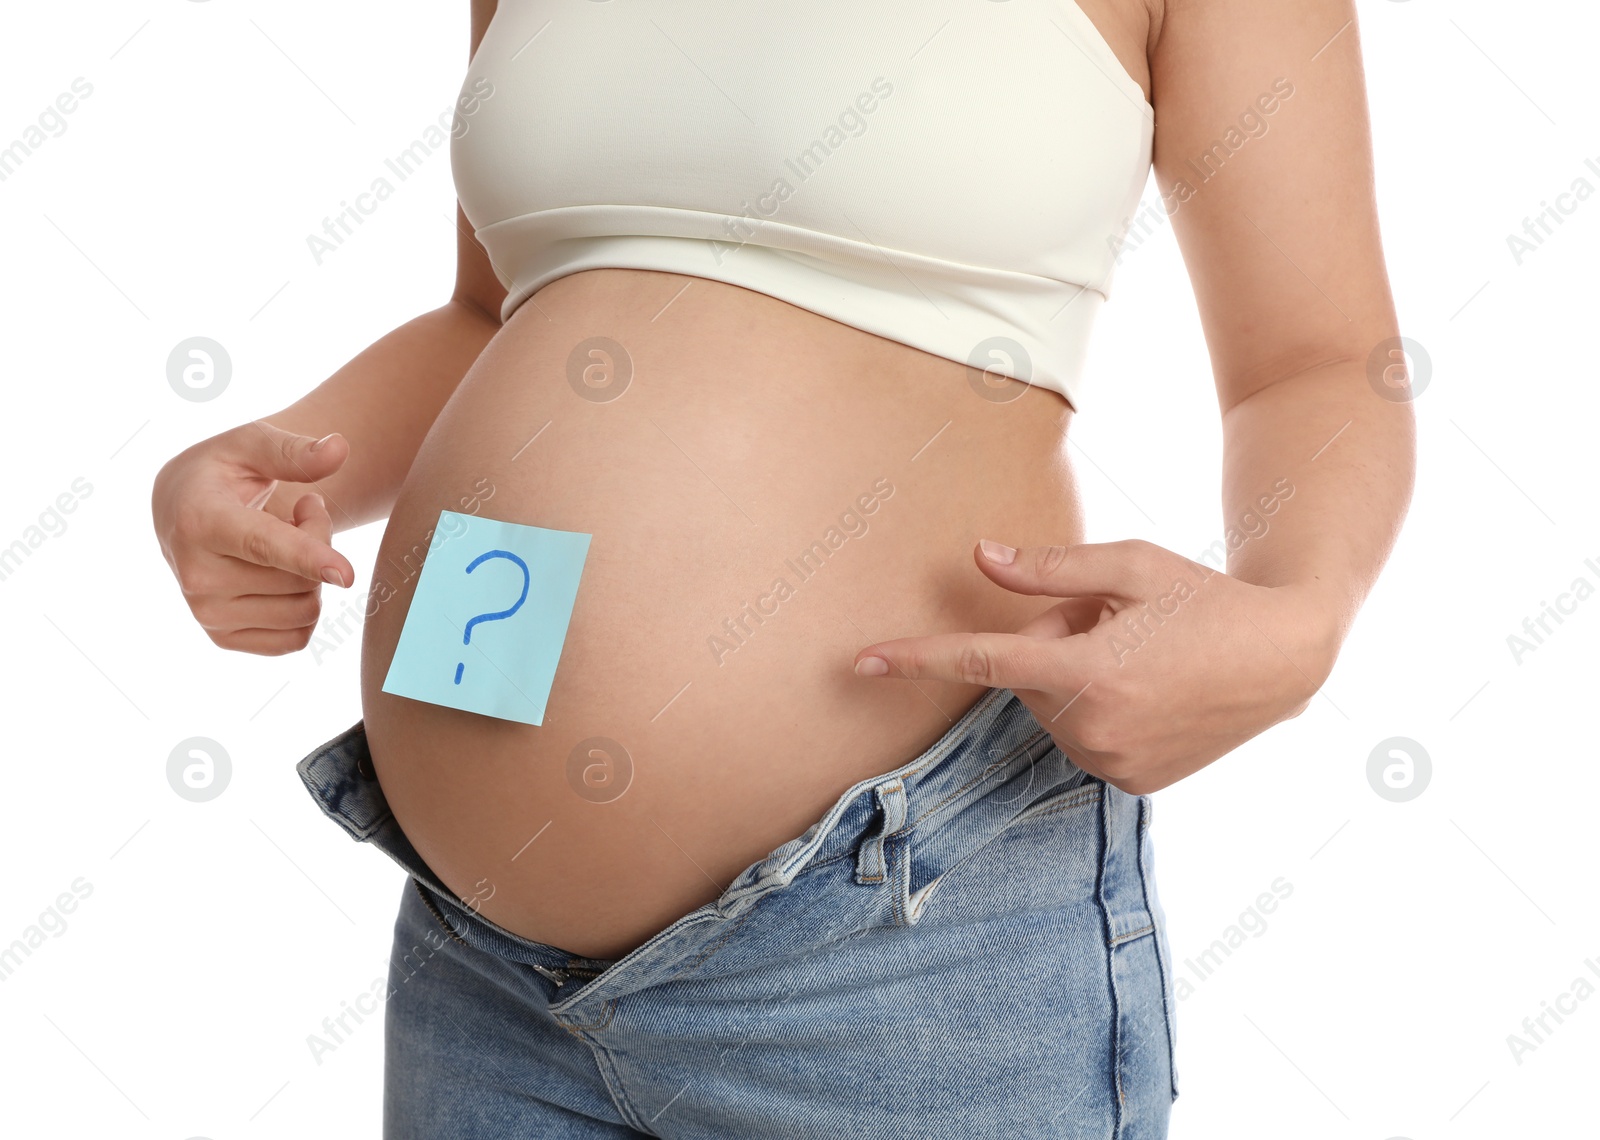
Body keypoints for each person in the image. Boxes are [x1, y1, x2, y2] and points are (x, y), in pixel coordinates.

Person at [150, 0, 1414, 1135]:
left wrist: (1299, 613)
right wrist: (269, 473)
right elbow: (494, 315)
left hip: (898, 940)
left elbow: (1312, 360)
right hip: (480, 968)